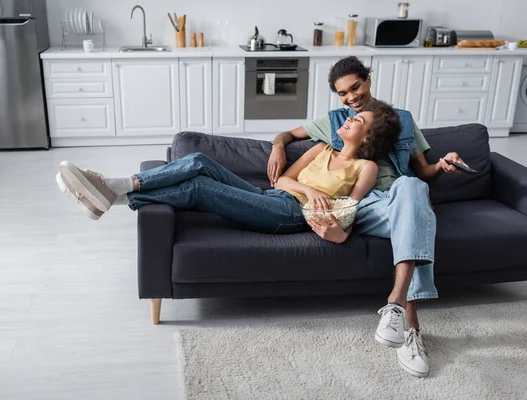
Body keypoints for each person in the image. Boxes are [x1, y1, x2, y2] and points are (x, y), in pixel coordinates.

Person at [267, 56, 468, 378]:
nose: (350, 98)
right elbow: (288, 135)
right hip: (353, 201)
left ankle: (397, 308)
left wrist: (443, 164)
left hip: (396, 200)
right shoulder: (335, 121)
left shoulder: (402, 119)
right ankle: (409, 325)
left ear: (368, 80)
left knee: (411, 186)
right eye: (342, 93)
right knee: (416, 220)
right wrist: (278, 146)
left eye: (354, 87)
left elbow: (424, 171)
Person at [55, 100, 399, 243]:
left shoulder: (365, 167)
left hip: (292, 215)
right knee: (200, 162)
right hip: (274, 196)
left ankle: (108, 190)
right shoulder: (321, 148)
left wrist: (314, 204)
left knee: (200, 188)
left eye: (359, 120)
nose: (350, 117)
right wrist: (309, 188)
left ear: (369, 136)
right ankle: (111, 189)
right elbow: (280, 179)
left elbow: (349, 211)